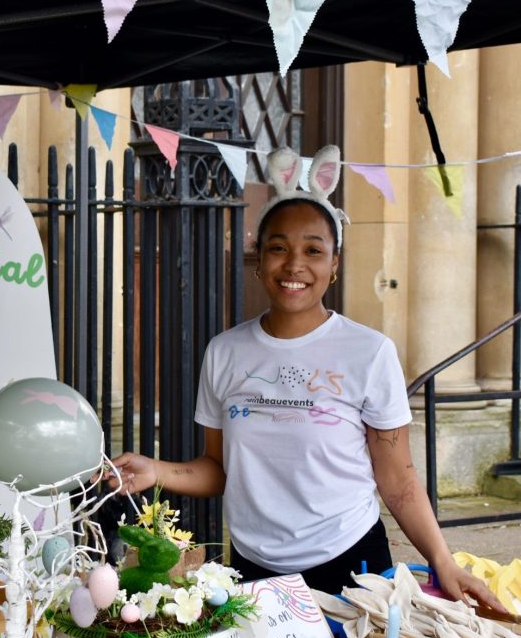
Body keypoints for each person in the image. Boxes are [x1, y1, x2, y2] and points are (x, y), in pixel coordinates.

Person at [103, 144, 505, 612]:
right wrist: (156, 471)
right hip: (254, 569)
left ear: (334, 264)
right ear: (258, 258)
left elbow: (398, 479)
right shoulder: (225, 352)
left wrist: (442, 560)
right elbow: (220, 468)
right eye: (279, 249)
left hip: (351, 565)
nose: (294, 265)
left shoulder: (369, 352)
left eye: (313, 250)